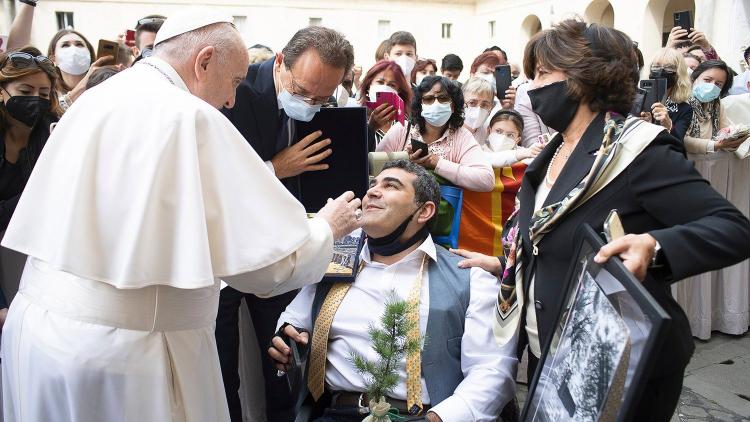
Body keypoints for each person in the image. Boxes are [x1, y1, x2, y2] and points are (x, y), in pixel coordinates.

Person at [0, 11, 362, 422]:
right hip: (126, 355)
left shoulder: (98, 98)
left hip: (39, 334)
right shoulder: (190, 116)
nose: (231, 99)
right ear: (204, 60)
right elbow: (269, 266)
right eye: (234, 81)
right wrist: (326, 227)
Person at [453, 19, 750, 421]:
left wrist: (656, 248)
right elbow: (550, 234)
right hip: (554, 357)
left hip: (620, 366)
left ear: (582, 78)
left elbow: (732, 228)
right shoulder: (551, 151)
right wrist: (514, 262)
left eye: (542, 73)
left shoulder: (638, 150)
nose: (530, 86)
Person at [269, 160, 518, 422]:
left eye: (391, 186)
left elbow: (492, 370)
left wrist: (439, 418)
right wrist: (286, 338)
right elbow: (294, 319)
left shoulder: (471, 278)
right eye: (373, 185)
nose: (372, 192)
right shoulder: (334, 261)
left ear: (424, 211)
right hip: (335, 413)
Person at [221, 25, 355, 422]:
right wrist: (274, 168)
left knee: (282, 357)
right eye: (302, 92)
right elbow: (211, 181)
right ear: (280, 61)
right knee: (220, 364)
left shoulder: (321, 104)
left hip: (284, 249)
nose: (311, 103)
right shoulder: (234, 93)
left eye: (323, 97)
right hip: (225, 253)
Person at [0, 46, 62, 329]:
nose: (34, 101)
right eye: (25, 92)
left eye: (42, 94)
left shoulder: (55, 132)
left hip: (33, 253)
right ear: (3, 91)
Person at [376, 76, 494, 192]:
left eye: (443, 98)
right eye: (429, 99)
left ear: (453, 106)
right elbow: (373, 167)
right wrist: (405, 159)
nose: (436, 103)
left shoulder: (461, 136)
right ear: (420, 105)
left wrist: (437, 163)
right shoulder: (402, 130)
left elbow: (486, 180)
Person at [46, 29, 110, 111]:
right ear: (53, 59)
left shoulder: (103, 87)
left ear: (89, 54)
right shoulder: (47, 92)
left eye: (79, 44)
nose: (74, 49)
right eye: (65, 45)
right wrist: (81, 86)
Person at [684, 60, 737, 154]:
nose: (712, 86)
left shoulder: (717, 104)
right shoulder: (681, 100)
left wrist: (733, 141)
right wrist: (714, 145)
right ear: (694, 78)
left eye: (718, 84)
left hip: (710, 161)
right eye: (707, 80)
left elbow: (724, 131)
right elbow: (681, 139)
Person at [359, 60, 413, 151]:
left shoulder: (406, 125)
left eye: (391, 85)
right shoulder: (358, 121)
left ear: (399, 91)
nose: (385, 88)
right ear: (369, 85)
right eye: (380, 82)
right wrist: (371, 128)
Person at [642, 48, 694, 141]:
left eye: (669, 68)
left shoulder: (684, 109)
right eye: (656, 66)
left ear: (678, 73)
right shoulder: (638, 99)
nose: (661, 71)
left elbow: (678, 142)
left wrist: (669, 125)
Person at [461, 76, 495, 144]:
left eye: (484, 105)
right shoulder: (449, 131)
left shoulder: (489, 131)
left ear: (491, 108)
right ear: (461, 103)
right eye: (472, 103)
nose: (478, 109)